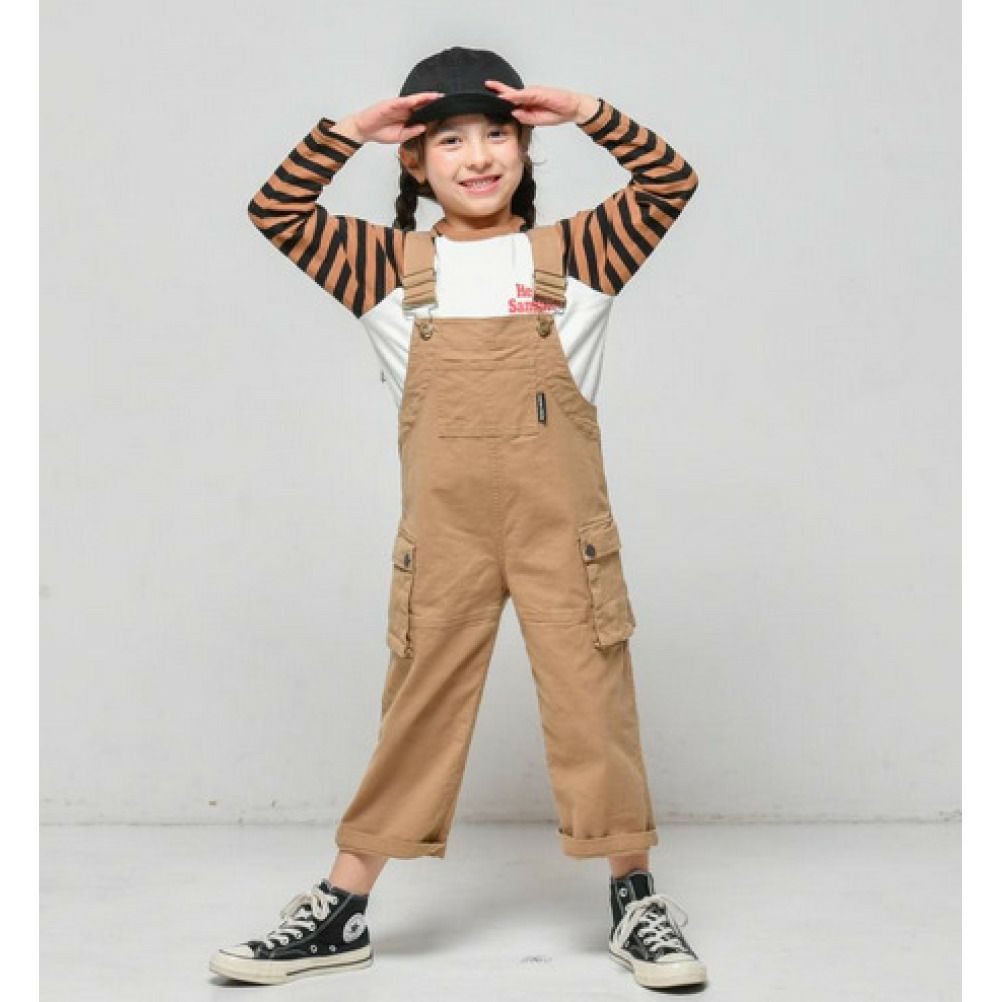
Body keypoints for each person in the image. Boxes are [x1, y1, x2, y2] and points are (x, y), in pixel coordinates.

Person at [209, 46, 705, 991]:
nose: (477, 157)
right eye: (450, 140)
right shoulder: (384, 267)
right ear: (414, 158)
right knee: (418, 708)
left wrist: (586, 109)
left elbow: (669, 182)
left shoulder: (581, 255)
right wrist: (354, 130)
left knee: (594, 703)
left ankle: (635, 898)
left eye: (496, 136)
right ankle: (343, 905)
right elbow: (278, 210)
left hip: (565, 534)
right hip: (445, 538)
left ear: (525, 148)